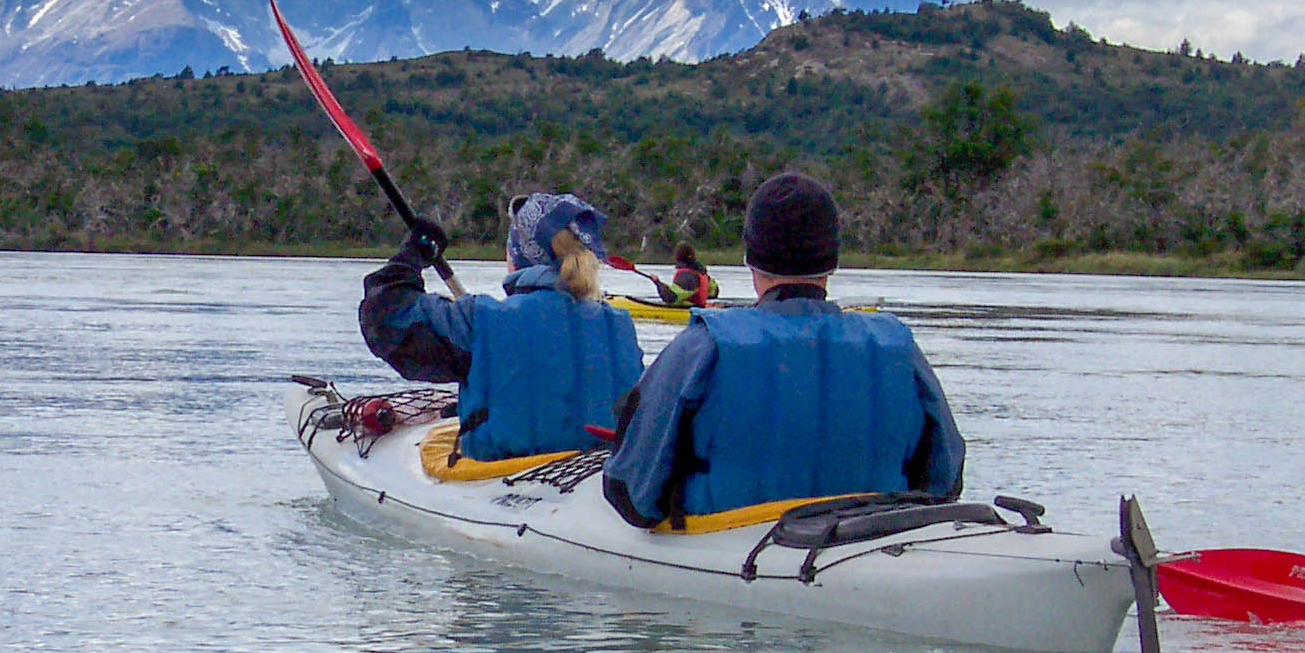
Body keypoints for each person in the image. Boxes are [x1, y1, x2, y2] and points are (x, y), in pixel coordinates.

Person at [602, 172, 964, 528]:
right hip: (874, 539)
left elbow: (633, 496)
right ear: (832, 261)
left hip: (723, 540)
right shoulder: (898, 345)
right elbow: (945, 482)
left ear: (750, 258)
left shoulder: (703, 346)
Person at [360, 192, 645, 461]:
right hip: (593, 475)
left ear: (519, 256)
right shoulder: (619, 325)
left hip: (503, 475)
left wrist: (409, 259)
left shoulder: (480, 319)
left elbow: (386, 320)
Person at [663, 241, 714, 307]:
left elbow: (670, 297)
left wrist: (657, 283)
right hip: (699, 306)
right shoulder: (701, 272)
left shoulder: (686, 275)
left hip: (690, 309)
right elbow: (714, 292)